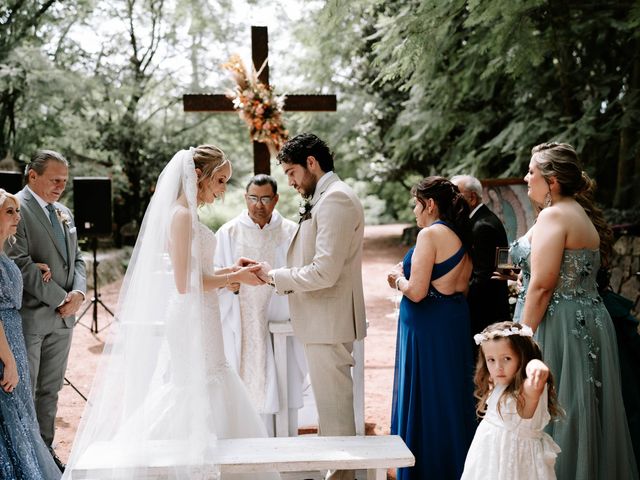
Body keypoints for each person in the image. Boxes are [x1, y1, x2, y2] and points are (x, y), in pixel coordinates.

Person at [62, 146, 280, 479]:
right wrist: (234, 277)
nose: (223, 190)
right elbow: (184, 283)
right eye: (220, 181)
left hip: (203, 315)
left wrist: (231, 270)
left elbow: (198, 272)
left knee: (214, 381)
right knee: (192, 389)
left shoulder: (188, 214)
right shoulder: (180, 215)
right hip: (191, 318)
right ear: (198, 176)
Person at [511, 142, 638, 479]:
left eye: (532, 172)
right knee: (576, 411)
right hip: (583, 317)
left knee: (553, 410)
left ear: (551, 180)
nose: (526, 178)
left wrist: (521, 337)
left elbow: (542, 285)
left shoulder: (555, 215)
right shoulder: (573, 212)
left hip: (558, 323)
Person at [260, 133, 366, 480]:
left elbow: (324, 271)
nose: (289, 182)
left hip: (329, 321)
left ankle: (343, 474)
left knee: (335, 411)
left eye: (292, 172)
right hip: (322, 320)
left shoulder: (336, 200)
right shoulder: (323, 198)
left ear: (311, 163)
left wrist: (275, 276)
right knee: (328, 408)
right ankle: (339, 472)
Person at [386, 176, 477, 479]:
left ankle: (425, 469)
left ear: (430, 204)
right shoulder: (461, 234)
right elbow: (461, 289)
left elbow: (417, 291)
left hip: (427, 329)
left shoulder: (431, 235)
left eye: (416, 203)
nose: (413, 210)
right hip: (451, 323)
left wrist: (396, 279)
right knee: (449, 396)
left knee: (426, 399)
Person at [6, 150, 86, 471]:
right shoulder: (14, 208)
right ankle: (29, 459)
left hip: (64, 319)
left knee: (51, 390)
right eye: (55, 180)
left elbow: (77, 258)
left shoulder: (64, 211)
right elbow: (19, 263)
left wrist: (78, 293)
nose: (60, 187)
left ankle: (47, 453)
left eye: (64, 181)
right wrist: (60, 298)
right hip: (32, 318)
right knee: (29, 388)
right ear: (32, 176)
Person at [215, 173, 308, 436]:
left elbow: (300, 273)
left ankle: (283, 443)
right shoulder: (228, 233)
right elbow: (214, 274)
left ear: (276, 199)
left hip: (280, 319)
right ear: (245, 198)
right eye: (253, 198)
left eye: (265, 198)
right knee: (243, 382)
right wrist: (229, 284)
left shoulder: (291, 232)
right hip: (240, 321)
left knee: (282, 378)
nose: (258, 205)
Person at [0, 188, 61, 478]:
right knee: (8, 417)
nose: (17, 217)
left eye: (18, 211)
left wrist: (28, 267)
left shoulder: (3, 258)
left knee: (22, 413)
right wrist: (9, 362)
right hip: (4, 348)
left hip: (14, 342)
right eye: (9, 211)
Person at [461, 321, 562, 480]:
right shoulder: (498, 382)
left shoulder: (526, 391)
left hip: (515, 463)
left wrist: (535, 367)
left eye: (506, 358)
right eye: (491, 360)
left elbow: (532, 387)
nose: (498, 367)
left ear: (523, 358)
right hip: (488, 460)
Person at [451, 174, 510, 334]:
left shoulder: (482, 226)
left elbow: (482, 276)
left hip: (485, 311)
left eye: (456, 195)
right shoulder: (484, 220)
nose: (452, 200)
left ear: (471, 198)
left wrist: (456, 297)